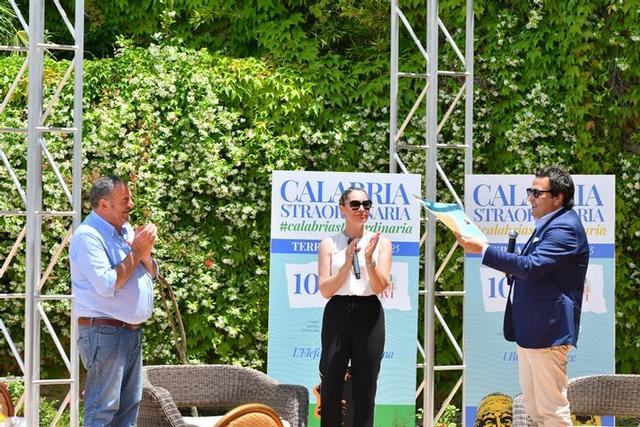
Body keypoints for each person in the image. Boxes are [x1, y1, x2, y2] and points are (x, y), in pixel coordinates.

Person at [457, 166, 589, 427]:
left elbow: (531, 266)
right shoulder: (550, 224)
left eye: (536, 193)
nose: (530, 197)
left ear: (558, 197)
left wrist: (482, 250)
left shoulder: (564, 228)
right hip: (533, 330)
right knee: (535, 410)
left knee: (552, 411)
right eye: (530, 191)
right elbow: (530, 267)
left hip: (547, 331)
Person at [70, 176, 158, 426]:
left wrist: (145, 251)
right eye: (125, 200)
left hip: (129, 332)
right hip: (104, 331)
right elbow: (108, 284)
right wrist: (137, 251)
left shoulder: (125, 230)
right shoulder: (88, 236)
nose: (131, 204)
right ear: (104, 204)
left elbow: (151, 272)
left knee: (128, 412)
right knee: (102, 411)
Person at [317, 187, 392, 427]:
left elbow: (380, 286)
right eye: (356, 204)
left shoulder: (381, 243)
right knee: (331, 380)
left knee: (366, 382)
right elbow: (326, 289)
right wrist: (347, 263)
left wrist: (368, 260)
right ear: (342, 208)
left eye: (366, 204)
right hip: (338, 310)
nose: (362, 209)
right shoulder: (329, 244)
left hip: (369, 311)